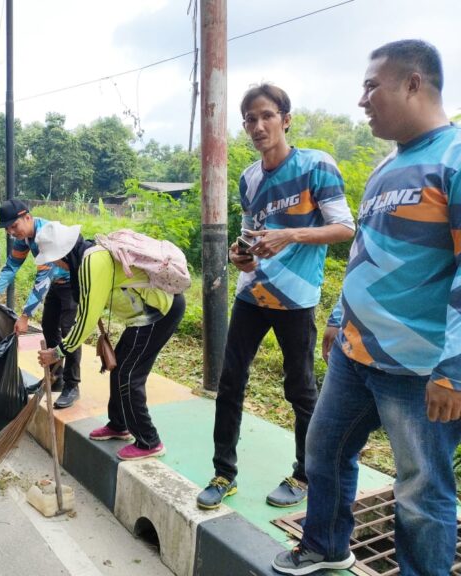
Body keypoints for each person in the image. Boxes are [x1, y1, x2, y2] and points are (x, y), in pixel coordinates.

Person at [273, 40, 461, 576]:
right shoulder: (385, 169)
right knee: (324, 450)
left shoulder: (453, 160)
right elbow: (364, 252)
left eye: (371, 85)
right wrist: (337, 318)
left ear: (412, 83)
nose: (362, 100)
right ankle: (326, 546)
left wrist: (453, 369)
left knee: (421, 492)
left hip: (419, 368)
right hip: (355, 358)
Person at [196, 84, 355, 511]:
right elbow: (250, 232)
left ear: (285, 119)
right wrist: (239, 254)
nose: (258, 126)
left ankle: (304, 474)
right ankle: (223, 473)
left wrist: (290, 234)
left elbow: (344, 227)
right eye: (250, 119)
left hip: (297, 300)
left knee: (300, 390)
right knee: (230, 384)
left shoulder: (316, 166)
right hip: (252, 295)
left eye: (266, 116)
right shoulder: (249, 178)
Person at [36, 221, 185, 460]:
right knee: (121, 370)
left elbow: (85, 318)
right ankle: (119, 425)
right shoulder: (90, 257)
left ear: (65, 255)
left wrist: (58, 352)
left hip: (157, 313)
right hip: (143, 316)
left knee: (128, 374)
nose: (55, 265)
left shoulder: (91, 263)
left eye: (54, 259)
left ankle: (149, 441)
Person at [0, 199, 82, 409]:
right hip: (56, 282)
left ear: (27, 217)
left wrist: (25, 315)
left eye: (14, 226)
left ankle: (72, 386)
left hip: (72, 283)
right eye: (8, 228)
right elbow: (12, 265)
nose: (11, 232)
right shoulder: (24, 238)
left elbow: (43, 277)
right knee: (48, 327)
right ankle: (56, 377)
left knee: (69, 332)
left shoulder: (45, 234)